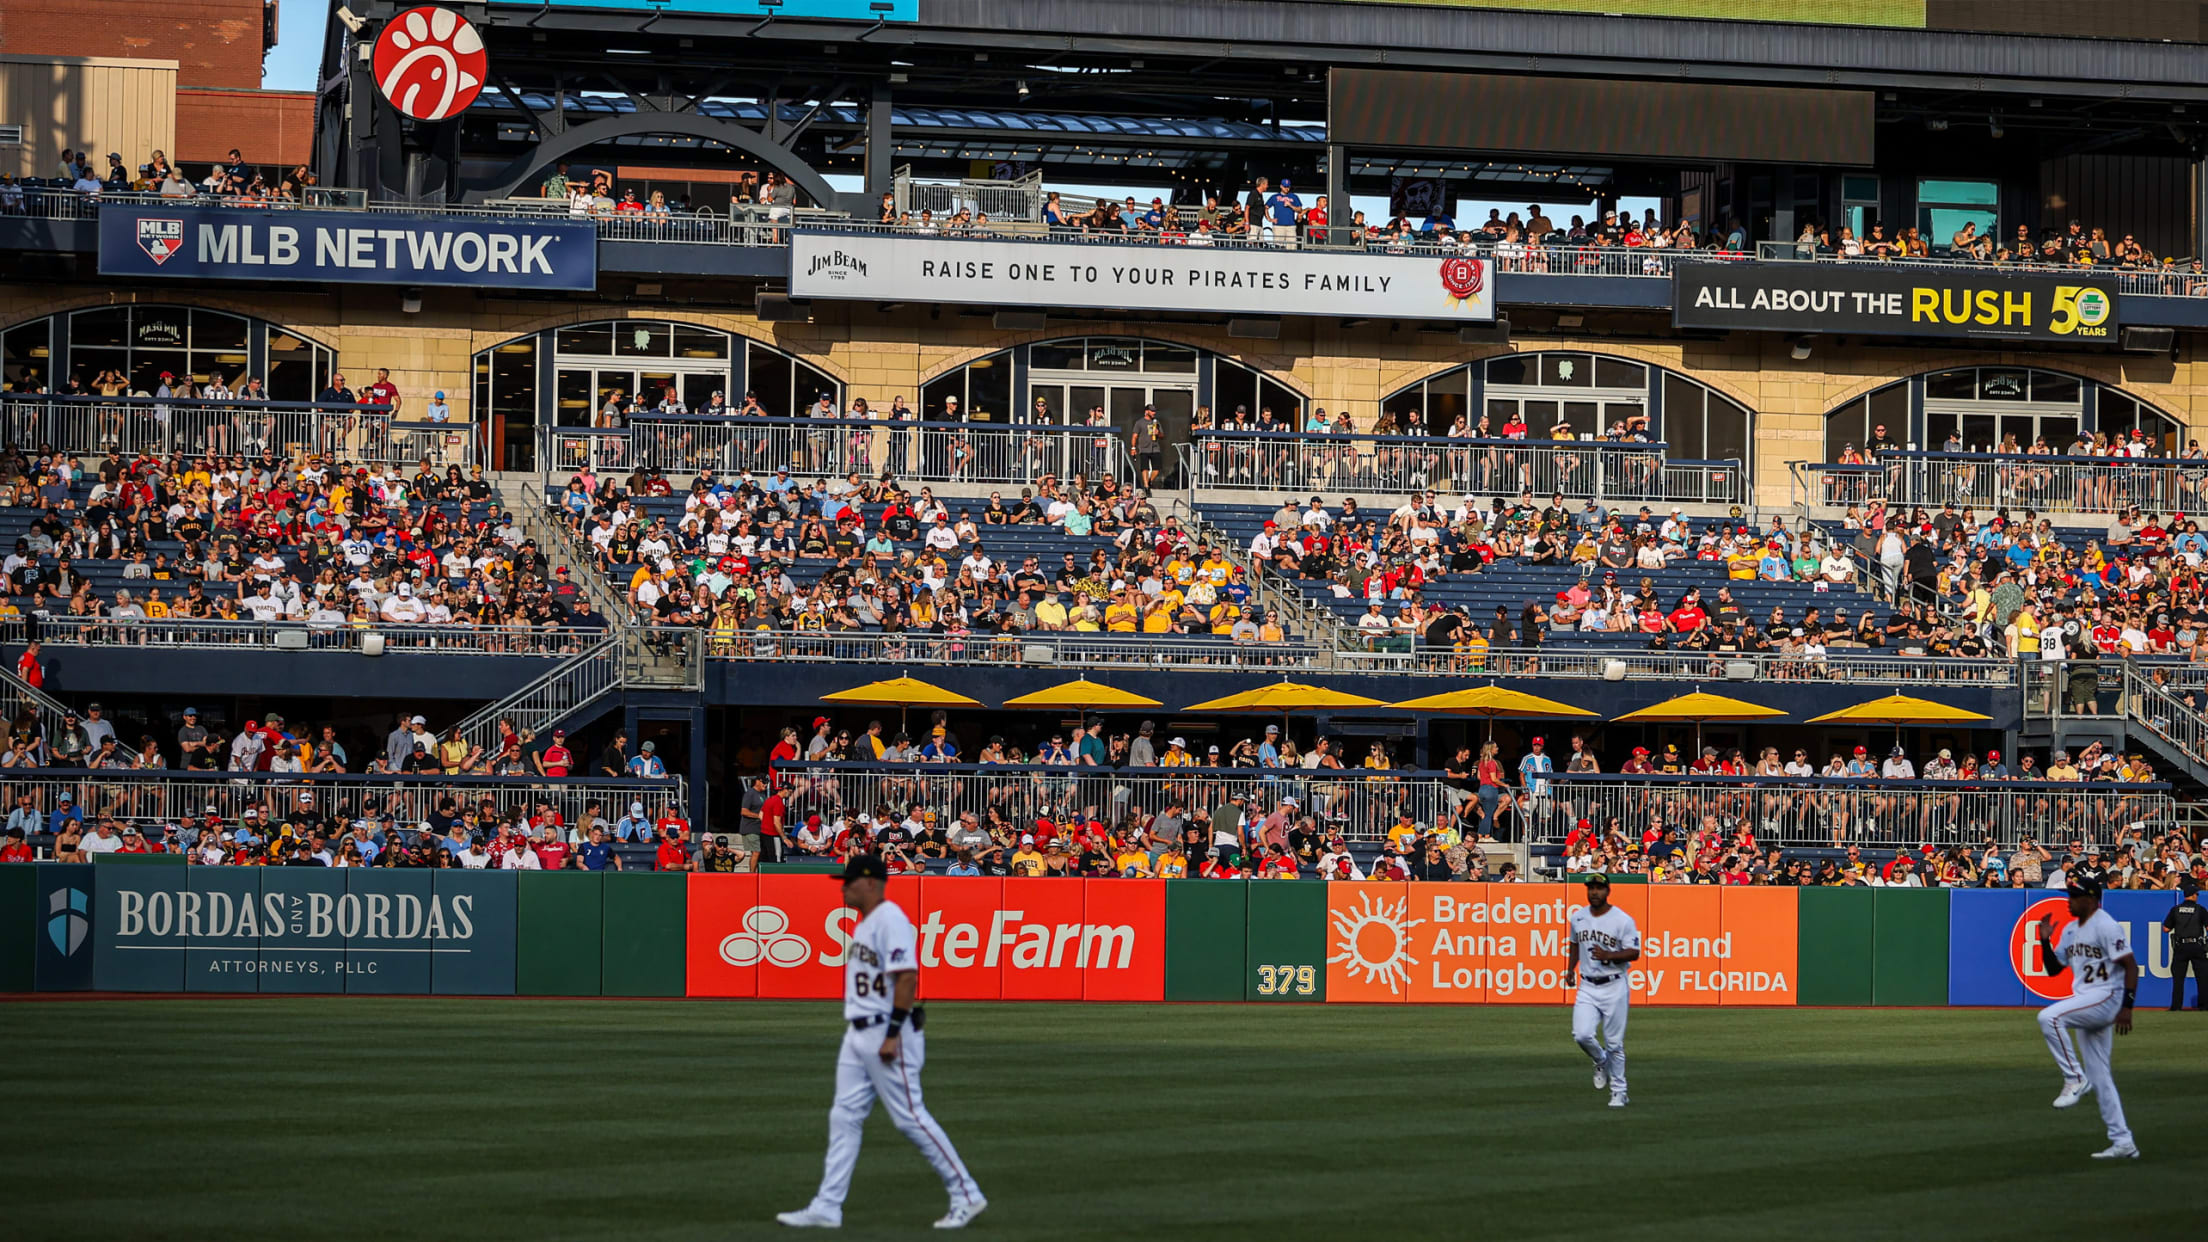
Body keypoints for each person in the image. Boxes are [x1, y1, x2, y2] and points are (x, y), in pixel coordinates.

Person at [778, 854, 987, 1230]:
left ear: (870, 883)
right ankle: (827, 1206)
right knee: (844, 1116)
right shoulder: (866, 924)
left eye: (849, 881)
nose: (843, 887)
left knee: (910, 1118)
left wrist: (892, 1034)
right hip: (857, 1032)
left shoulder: (889, 919)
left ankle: (966, 1193)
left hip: (887, 1032)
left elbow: (907, 978)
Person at [2035, 877, 2138, 1159]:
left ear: (2091, 900)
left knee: (2049, 1017)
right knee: (2101, 1078)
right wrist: (2044, 941)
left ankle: (2074, 1078)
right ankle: (2123, 1141)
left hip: (2107, 995)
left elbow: (2130, 965)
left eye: (2075, 896)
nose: (2070, 900)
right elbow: (2055, 969)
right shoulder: (2070, 929)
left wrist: (2127, 1007)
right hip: (2087, 999)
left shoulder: (2105, 925)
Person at [1566, 874, 1640, 1109]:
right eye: (1591, 888)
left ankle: (1619, 1091)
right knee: (1581, 1034)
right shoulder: (1578, 917)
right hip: (1587, 985)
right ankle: (1600, 1059)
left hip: (1614, 984)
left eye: (1599, 888)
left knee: (1615, 1043)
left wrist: (1609, 955)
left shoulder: (1622, 919)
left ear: (1608, 891)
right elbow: (1575, 943)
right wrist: (1570, 969)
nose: (1594, 892)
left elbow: (1634, 952)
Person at [2161, 877, 2204, 1010]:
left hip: (2180, 946)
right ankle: (2204, 1006)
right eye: (2196, 894)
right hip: (2197, 946)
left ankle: (2176, 1006)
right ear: (2192, 895)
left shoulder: (2176, 909)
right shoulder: (2200, 909)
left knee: (2178, 979)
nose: (2197, 896)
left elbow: (2166, 929)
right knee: (2202, 978)